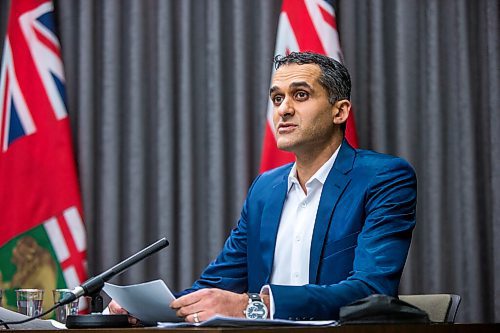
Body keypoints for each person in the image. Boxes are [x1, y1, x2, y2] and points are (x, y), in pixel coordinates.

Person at [109, 51, 417, 323]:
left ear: (340, 111)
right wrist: (149, 309)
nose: (283, 109)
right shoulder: (265, 189)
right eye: (277, 98)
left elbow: (371, 290)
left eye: (300, 95)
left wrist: (253, 305)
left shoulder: (384, 178)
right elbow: (219, 282)